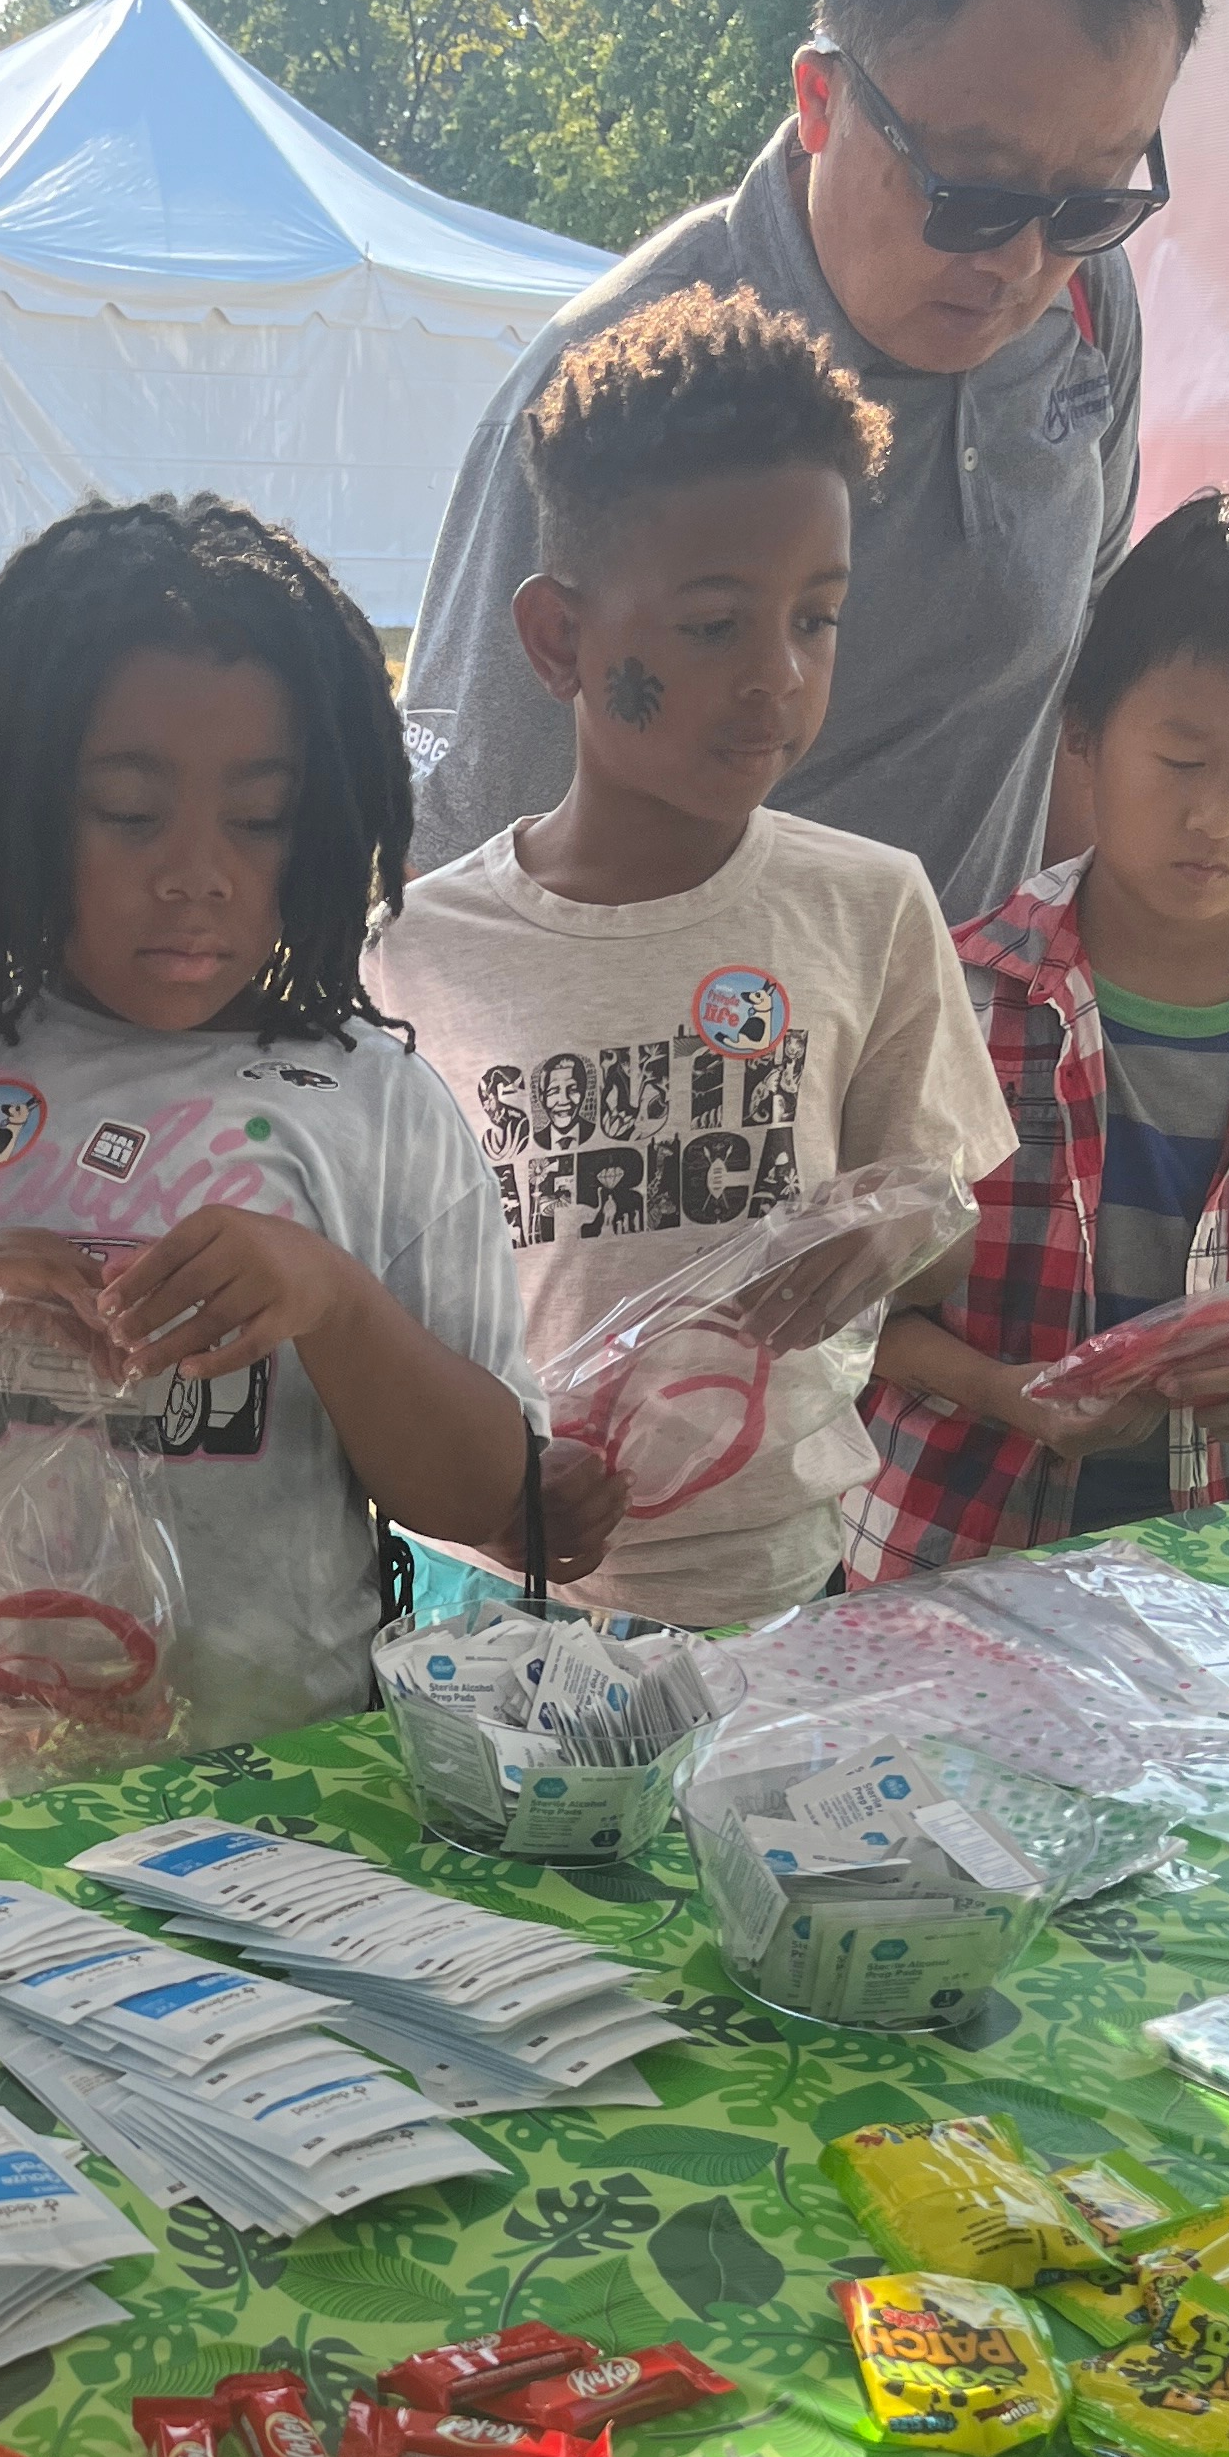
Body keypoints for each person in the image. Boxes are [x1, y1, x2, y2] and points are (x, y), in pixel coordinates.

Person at [0, 494, 620, 1833]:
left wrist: (332, 1300)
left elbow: (487, 1501)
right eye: (127, 812)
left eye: (261, 820)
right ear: (21, 804)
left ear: (324, 828)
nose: (197, 874)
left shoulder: (372, 1104)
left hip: (277, 1797)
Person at [402, 0, 1203, 926]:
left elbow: (1062, 704)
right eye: (971, 191)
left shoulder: (1085, 308)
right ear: (822, 100)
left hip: (956, 1054)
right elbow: (458, 867)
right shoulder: (618, 395)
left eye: (1094, 198)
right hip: (688, 1068)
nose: (1019, 261)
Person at [369, 289, 1012, 1629]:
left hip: (770, 1585)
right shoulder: (418, 953)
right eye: (716, 625)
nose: (778, 675)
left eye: (817, 618)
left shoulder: (871, 910)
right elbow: (390, 1300)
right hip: (486, 1581)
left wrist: (884, 1231)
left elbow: (939, 1231)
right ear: (560, 640)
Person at [852, 495, 1229, 1576]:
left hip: (1207, 1561)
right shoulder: (953, 994)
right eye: (1182, 759)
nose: (1221, 817)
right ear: (1085, 738)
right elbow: (853, 1294)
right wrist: (998, 1394)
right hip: (946, 1548)